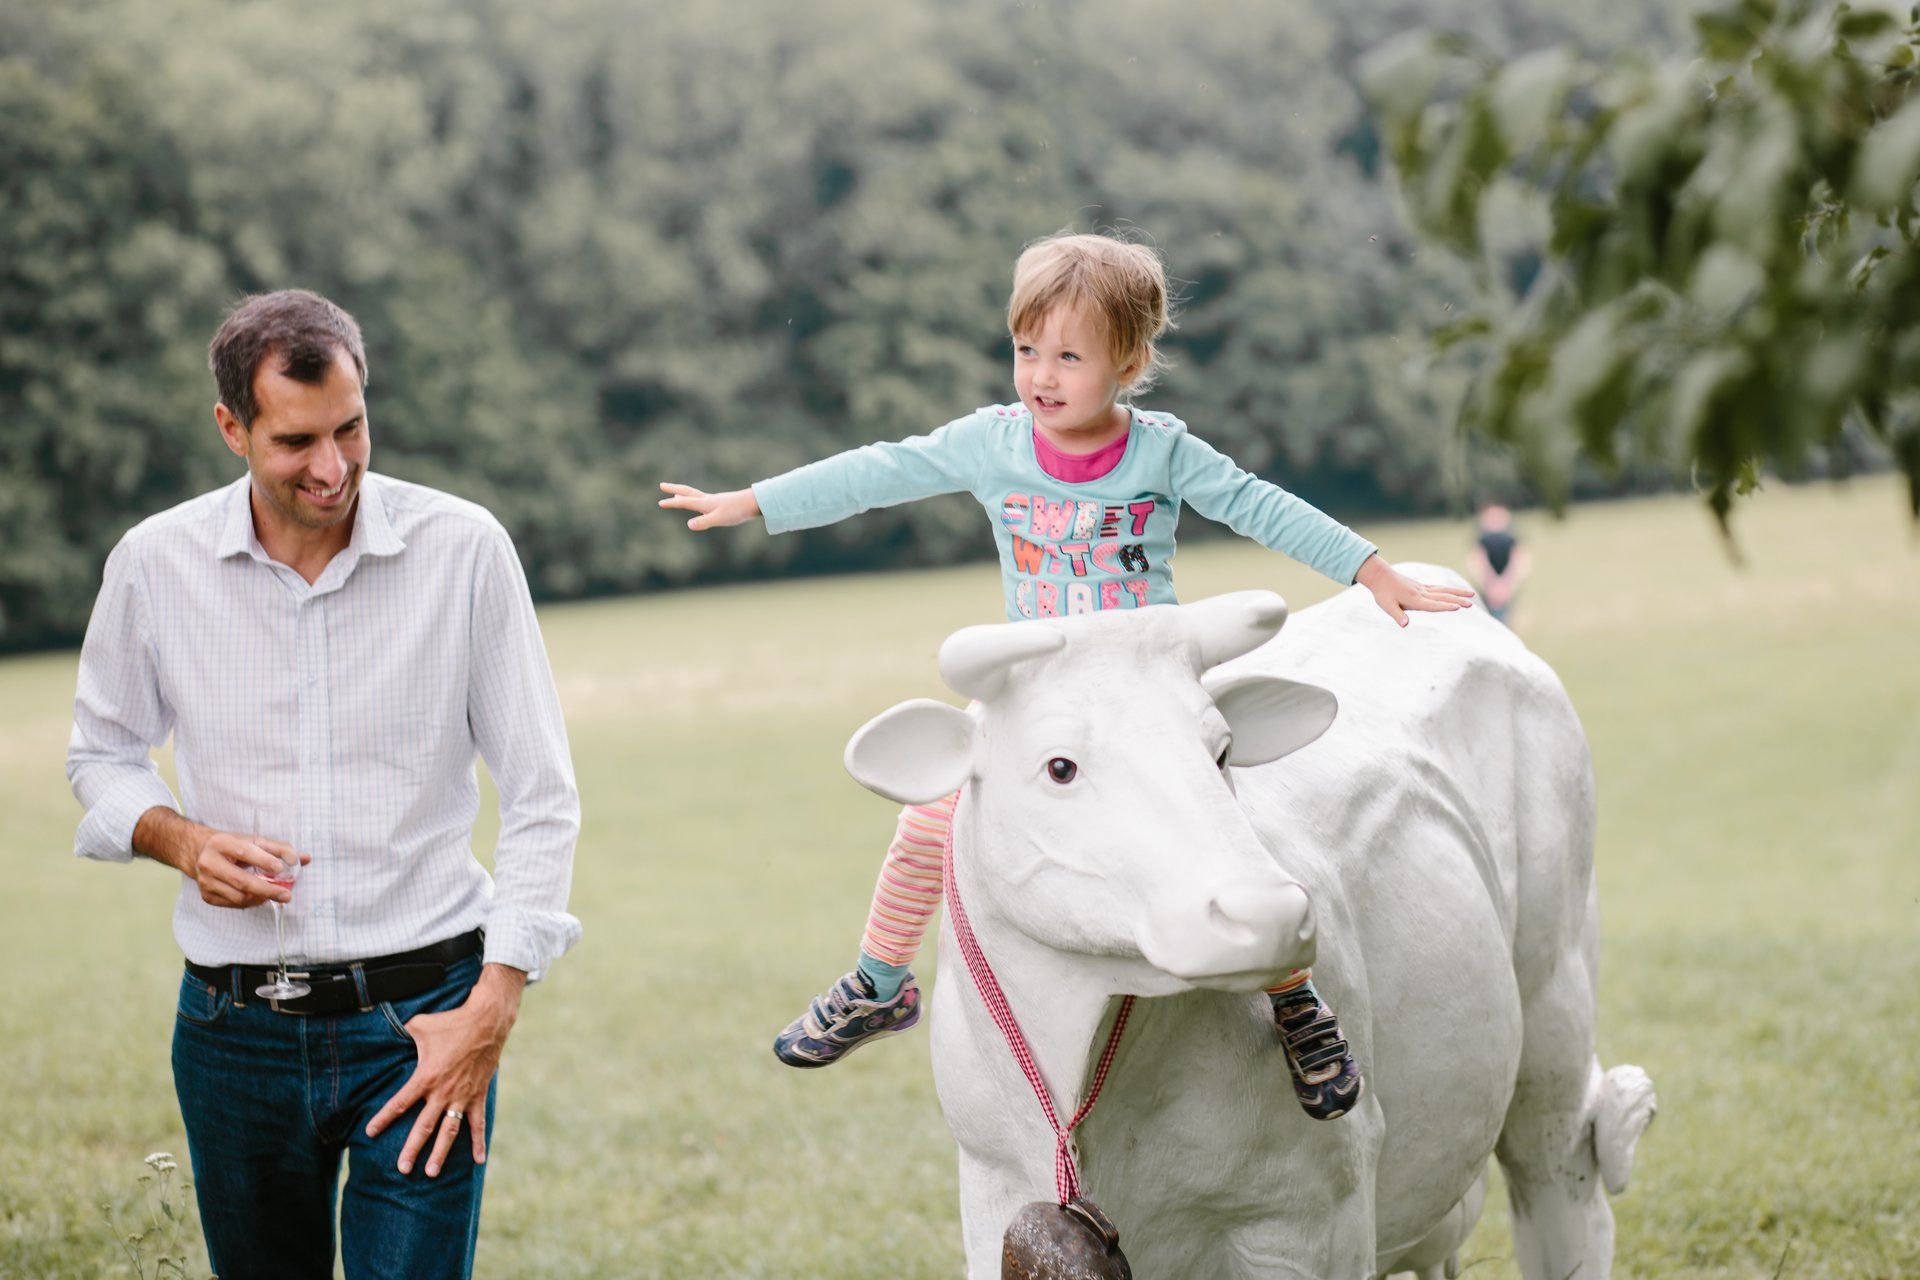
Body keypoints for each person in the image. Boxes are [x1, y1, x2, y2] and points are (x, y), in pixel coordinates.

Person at [660, 232, 1472, 1122]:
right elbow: (879, 470)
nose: (1041, 376)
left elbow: (1260, 504)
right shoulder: (991, 444)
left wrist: (1369, 570)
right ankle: (880, 982)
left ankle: (1295, 1002)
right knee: (927, 821)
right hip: (1038, 699)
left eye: (1070, 357)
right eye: (1026, 350)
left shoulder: (1163, 453)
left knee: (1223, 834)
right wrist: (755, 500)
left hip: (1145, 696)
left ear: (1129, 362)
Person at [65, 290, 582, 1280]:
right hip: (233, 1034)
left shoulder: (465, 549)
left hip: (425, 1021)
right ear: (232, 428)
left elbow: (541, 794)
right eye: (297, 440)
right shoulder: (154, 564)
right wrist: (183, 841)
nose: (333, 467)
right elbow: (101, 754)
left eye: (351, 428)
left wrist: (495, 1003)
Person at [1467, 502, 1530, 626]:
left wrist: (1507, 585)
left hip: (1506, 586)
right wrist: (1490, 585)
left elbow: (1519, 561)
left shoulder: (1512, 539)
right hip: (1489, 588)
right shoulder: (1482, 540)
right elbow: (1478, 562)